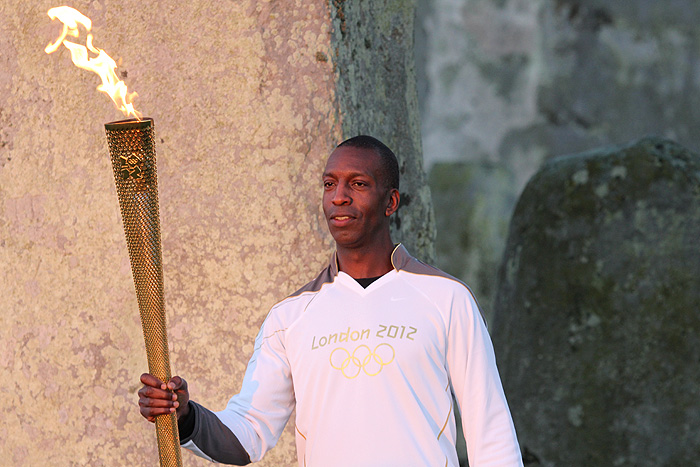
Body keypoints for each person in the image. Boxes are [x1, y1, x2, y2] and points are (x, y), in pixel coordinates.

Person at [138, 135, 523, 466]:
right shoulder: (290, 317)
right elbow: (249, 433)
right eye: (329, 184)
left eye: (358, 184)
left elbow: (491, 433)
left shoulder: (446, 298)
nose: (339, 197)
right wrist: (184, 416)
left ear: (391, 202)